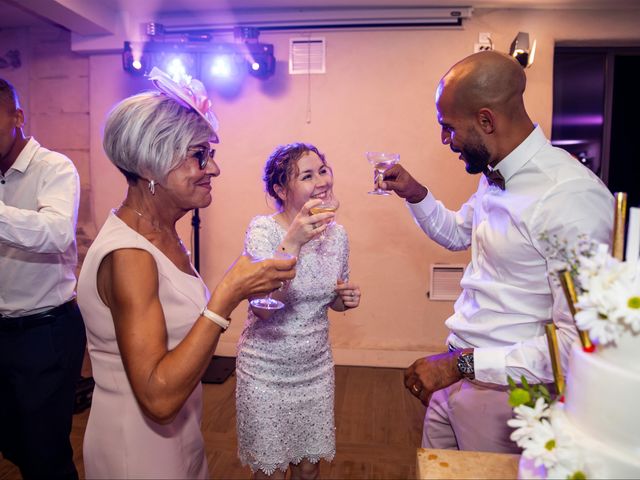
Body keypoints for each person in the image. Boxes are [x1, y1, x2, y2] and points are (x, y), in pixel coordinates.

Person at [381, 51, 614, 452]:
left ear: (487, 120)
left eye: (448, 128)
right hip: (454, 375)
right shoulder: (495, 173)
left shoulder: (570, 197)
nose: (444, 140)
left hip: (509, 396)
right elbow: (457, 233)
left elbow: (577, 344)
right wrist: (416, 194)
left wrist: (461, 365)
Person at [76, 68, 296, 479]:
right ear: (151, 164)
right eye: (200, 155)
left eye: (209, 154)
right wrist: (227, 293)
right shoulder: (130, 256)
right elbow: (157, 397)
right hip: (137, 451)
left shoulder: (163, 234)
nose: (213, 169)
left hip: (180, 434)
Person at [236, 142, 361, 479]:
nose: (322, 180)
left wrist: (342, 299)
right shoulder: (263, 231)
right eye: (307, 175)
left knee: (309, 470)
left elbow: (330, 297)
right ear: (281, 189)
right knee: (272, 472)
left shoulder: (338, 235)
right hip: (265, 371)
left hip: (315, 369)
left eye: (323, 170)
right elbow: (262, 309)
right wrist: (294, 240)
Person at [0, 78, 86, 479]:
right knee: (12, 441)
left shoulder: (54, 167)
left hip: (44, 332)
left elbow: (56, 233)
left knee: (46, 454)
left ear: (17, 116)